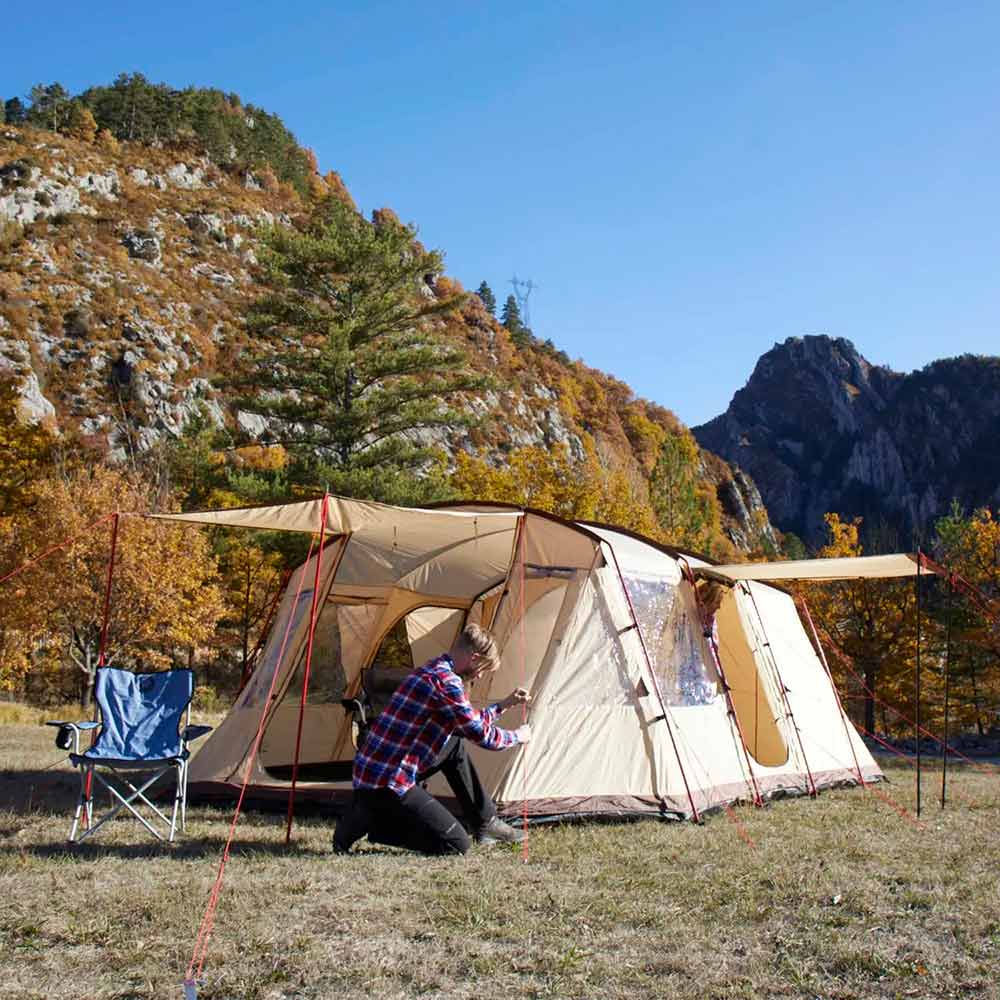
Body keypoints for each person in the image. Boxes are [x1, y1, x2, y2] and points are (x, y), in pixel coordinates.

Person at [333, 623, 532, 856]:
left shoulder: (435, 668)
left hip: (375, 770)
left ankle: (485, 823)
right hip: (387, 781)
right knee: (457, 845)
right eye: (483, 669)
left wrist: (503, 706)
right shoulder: (446, 683)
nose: (479, 676)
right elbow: (482, 735)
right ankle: (376, 824)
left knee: (453, 744)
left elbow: (467, 720)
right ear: (474, 658)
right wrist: (519, 736)